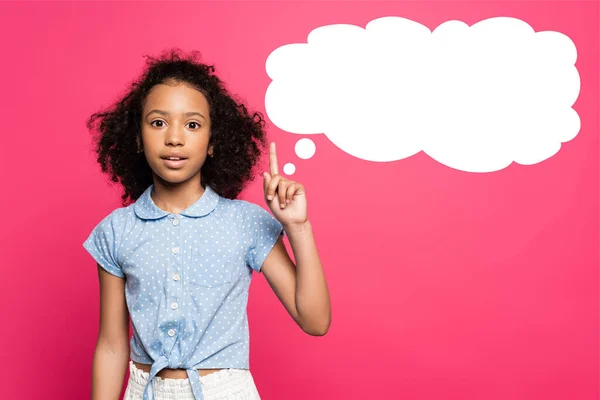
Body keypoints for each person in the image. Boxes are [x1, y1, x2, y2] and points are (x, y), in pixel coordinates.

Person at [83, 48, 331, 400]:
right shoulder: (116, 231)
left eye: (193, 124)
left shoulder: (245, 223)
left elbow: (315, 321)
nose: (174, 138)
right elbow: (110, 345)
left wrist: (298, 227)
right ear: (137, 138)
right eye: (158, 122)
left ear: (213, 142)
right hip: (144, 390)